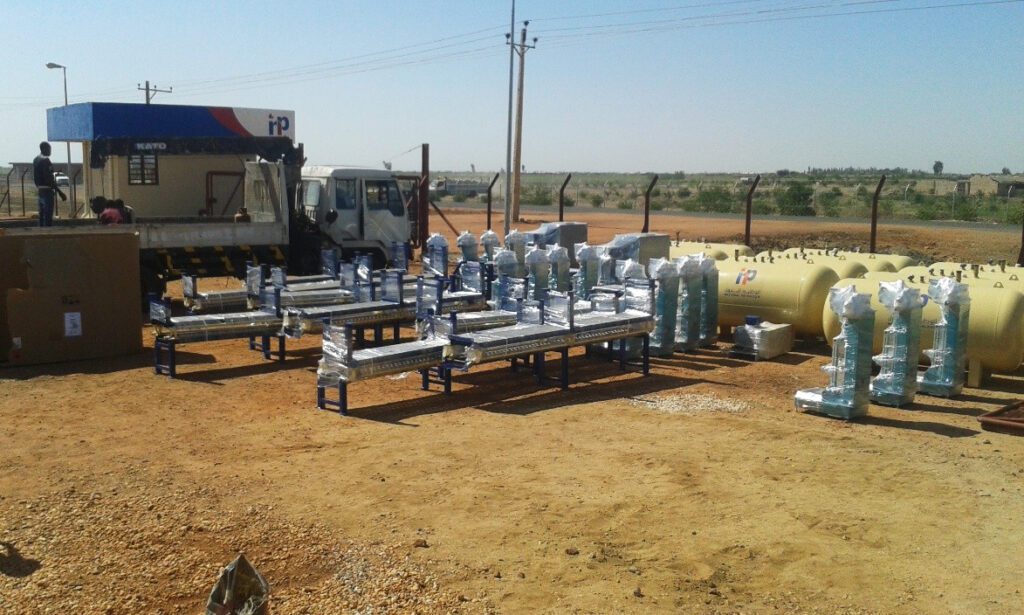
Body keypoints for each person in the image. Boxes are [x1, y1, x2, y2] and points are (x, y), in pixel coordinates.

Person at [32, 141, 66, 227]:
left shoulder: (36, 160)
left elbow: (39, 175)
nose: (50, 151)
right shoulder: (46, 161)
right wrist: (60, 192)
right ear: (43, 149)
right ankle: (48, 234)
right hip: (47, 190)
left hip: (40, 190)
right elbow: (48, 179)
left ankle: (40, 235)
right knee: (47, 217)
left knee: (41, 216)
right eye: (49, 149)